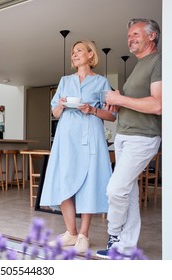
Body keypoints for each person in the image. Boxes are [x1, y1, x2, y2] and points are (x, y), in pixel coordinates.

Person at [40, 40, 116, 253]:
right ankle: (71, 232)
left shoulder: (101, 82)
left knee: (89, 182)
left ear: (91, 55)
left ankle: (84, 234)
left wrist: (92, 110)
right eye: (73, 52)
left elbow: (111, 114)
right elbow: (54, 112)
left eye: (79, 51)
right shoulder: (64, 81)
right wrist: (62, 104)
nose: (74, 55)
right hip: (66, 137)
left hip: (91, 135)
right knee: (64, 179)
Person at [96, 18, 162, 259]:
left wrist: (119, 99)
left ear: (152, 36)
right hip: (124, 135)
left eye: (135, 34)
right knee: (129, 192)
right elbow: (136, 104)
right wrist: (116, 103)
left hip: (142, 137)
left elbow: (158, 105)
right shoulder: (139, 65)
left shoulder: (159, 61)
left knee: (115, 189)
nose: (130, 39)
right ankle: (127, 247)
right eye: (129, 36)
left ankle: (114, 234)